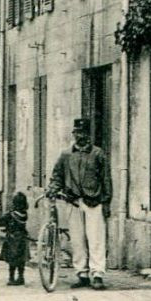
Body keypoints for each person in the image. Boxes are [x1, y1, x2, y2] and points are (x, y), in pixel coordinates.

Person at [47, 117, 111, 290]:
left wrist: (106, 201)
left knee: (96, 238)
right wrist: (53, 188)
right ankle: (81, 273)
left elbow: (106, 179)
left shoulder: (98, 154)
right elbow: (57, 176)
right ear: (73, 134)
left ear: (88, 135)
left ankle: (97, 274)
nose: (79, 136)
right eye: (77, 132)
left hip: (94, 202)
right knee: (77, 239)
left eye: (83, 133)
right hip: (73, 201)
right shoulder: (66, 154)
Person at [0, 191, 30, 286]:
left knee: (12, 261)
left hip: (12, 239)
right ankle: (21, 277)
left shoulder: (10, 215)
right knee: (21, 261)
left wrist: (3, 230)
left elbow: (0, 222)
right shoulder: (25, 214)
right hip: (23, 239)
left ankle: (11, 278)